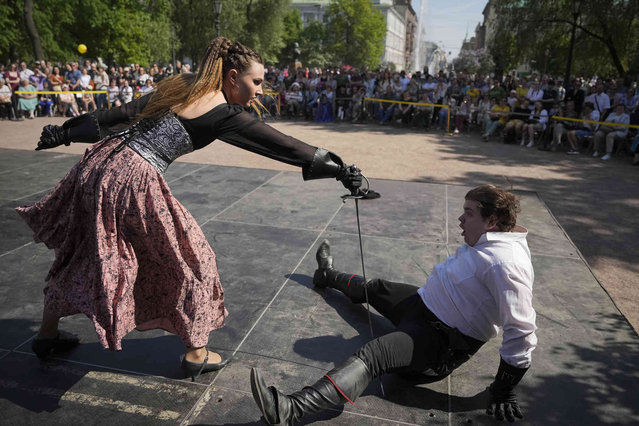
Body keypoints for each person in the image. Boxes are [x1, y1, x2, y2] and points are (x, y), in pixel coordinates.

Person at [16, 37, 362, 381]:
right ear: (231, 76)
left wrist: (64, 132)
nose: (259, 91)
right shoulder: (223, 114)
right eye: (255, 82)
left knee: (82, 254)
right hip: (132, 178)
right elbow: (282, 145)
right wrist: (341, 170)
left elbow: (119, 115)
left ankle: (47, 335)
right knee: (192, 259)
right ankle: (196, 353)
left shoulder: (181, 86)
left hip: (99, 166)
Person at [251, 185, 537, 425]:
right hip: (422, 305)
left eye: (469, 213)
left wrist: (503, 390)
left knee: (373, 354)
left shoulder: (506, 264)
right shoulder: (488, 239)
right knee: (375, 288)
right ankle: (325, 275)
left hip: (438, 343)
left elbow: (521, 331)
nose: (461, 219)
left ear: (493, 220)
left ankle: (288, 410)